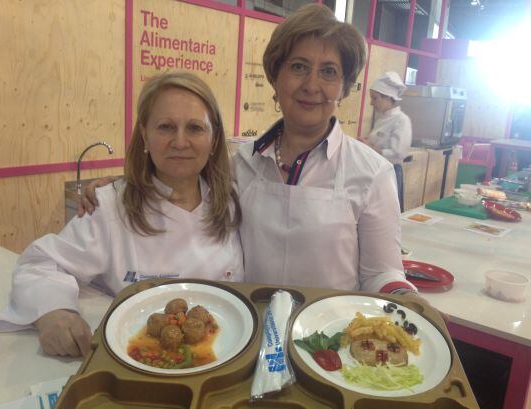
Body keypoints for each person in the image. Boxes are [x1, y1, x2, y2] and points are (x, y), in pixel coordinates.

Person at [80, 5, 417, 295]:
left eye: (329, 72)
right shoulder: (241, 162)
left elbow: (381, 273)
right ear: (275, 76)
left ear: (344, 87)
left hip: (327, 347)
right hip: (246, 335)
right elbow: (184, 186)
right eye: (298, 67)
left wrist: (405, 296)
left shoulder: (372, 173)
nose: (311, 85)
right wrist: (125, 185)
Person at [0, 71, 244, 357]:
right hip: (140, 359)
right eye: (165, 127)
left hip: (229, 355)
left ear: (213, 139)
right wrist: (54, 312)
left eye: (195, 128)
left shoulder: (233, 200)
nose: (180, 141)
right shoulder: (109, 206)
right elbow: (39, 265)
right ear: (145, 136)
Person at [362, 71, 412, 212]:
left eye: (375, 98)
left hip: (390, 173)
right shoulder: (381, 118)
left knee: (387, 213)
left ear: (388, 98)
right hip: (376, 171)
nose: (371, 103)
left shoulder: (401, 120)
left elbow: (398, 153)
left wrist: (371, 149)